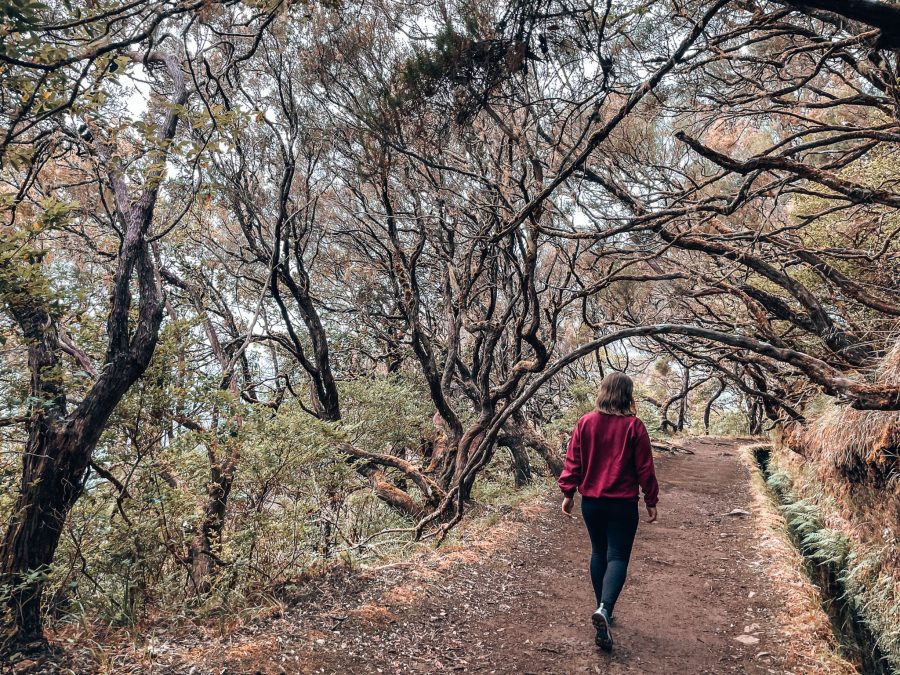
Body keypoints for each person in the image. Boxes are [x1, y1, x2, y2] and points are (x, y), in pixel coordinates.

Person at [558, 372, 659, 652]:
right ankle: (604, 607)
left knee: (598, 553)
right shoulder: (634, 427)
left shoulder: (585, 423)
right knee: (617, 556)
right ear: (628, 395)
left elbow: (572, 461)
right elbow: (644, 468)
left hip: (592, 502)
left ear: (603, 392)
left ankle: (602, 609)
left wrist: (568, 493)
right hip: (623, 504)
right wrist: (651, 499)